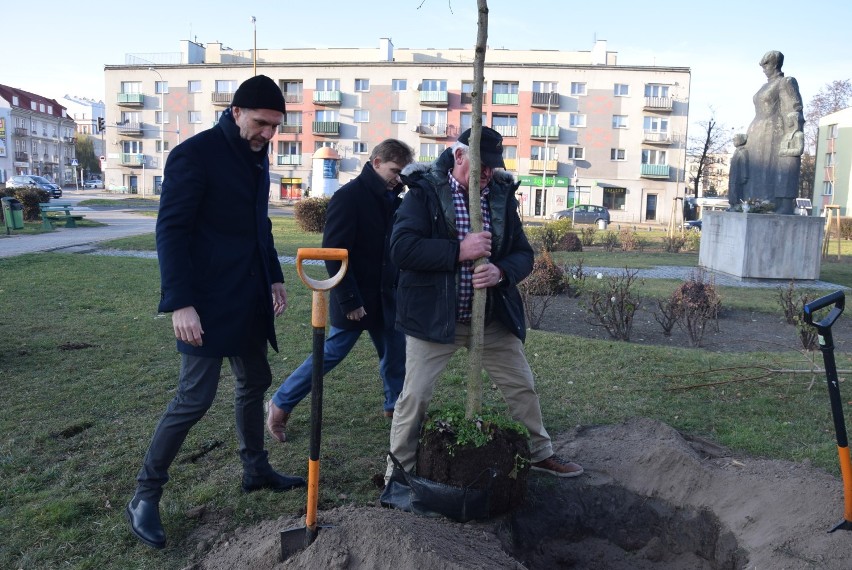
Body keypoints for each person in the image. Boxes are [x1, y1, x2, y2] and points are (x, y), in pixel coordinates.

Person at [126, 75, 305, 551]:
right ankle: (145, 495)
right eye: (262, 124)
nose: (268, 134)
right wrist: (180, 302)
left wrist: (273, 275)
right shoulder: (194, 154)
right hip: (203, 303)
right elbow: (171, 230)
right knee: (193, 399)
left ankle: (255, 468)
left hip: (247, 296)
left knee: (254, 382)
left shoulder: (256, 156)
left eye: (275, 127)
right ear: (236, 112)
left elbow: (257, 223)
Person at [385, 127, 584, 482]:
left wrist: (501, 272)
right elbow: (402, 249)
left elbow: (523, 254)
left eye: (493, 166)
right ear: (459, 156)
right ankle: (399, 473)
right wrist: (459, 251)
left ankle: (540, 453)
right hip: (434, 320)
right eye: (482, 165)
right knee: (413, 397)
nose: (488, 173)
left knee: (522, 386)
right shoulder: (424, 192)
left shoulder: (501, 196)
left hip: (489, 319)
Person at [266, 139, 415, 441]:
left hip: (387, 298)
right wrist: (349, 300)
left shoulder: (393, 199)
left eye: (402, 173)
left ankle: (396, 409)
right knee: (330, 354)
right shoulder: (349, 198)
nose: (398, 178)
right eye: (394, 171)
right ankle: (279, 404)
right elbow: (333, 254)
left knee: (396, 354)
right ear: (375, 162)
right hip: (355, 298)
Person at [742, 50, 804, 215]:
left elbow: (794, 108)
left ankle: (769, 204)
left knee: (768, 169)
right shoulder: (764, 86)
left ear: (775, 64)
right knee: (755, 169)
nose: (763, 68)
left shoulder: (785, 82)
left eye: (766, 64)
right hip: (757, 131)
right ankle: (754, 204)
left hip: (772, 130)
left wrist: (793, 132)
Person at [727, 133, 749, 208]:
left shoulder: (743, 151)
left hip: (738, 176)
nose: (733, 141)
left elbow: (744, 163)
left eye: (735, 139)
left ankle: (737, 205)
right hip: (733, 176)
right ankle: (732, 204)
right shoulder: (736, 151)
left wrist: (744, 176)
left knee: (737, 191)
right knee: (732, 190)